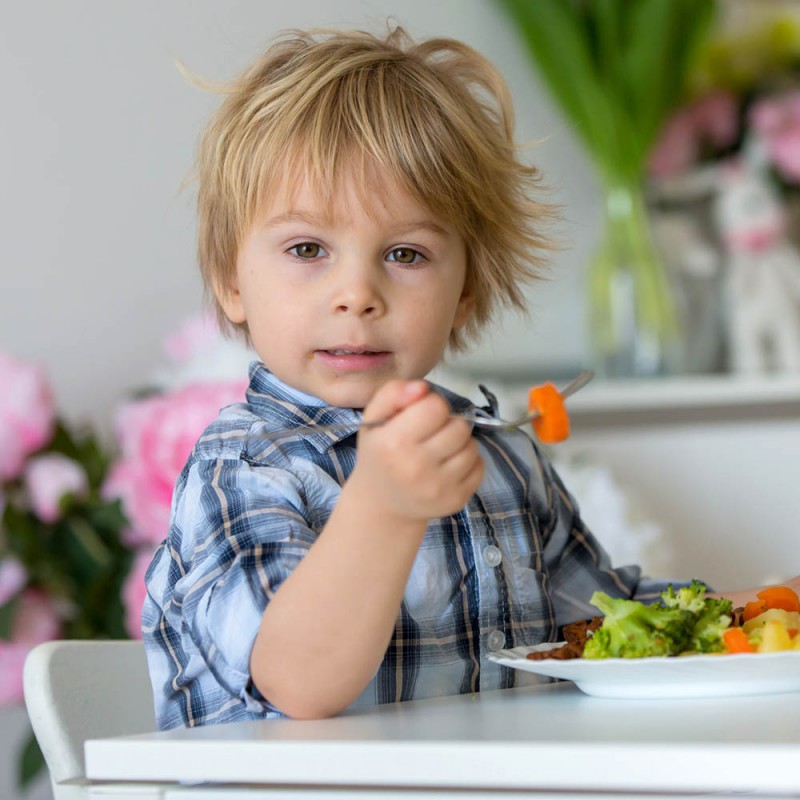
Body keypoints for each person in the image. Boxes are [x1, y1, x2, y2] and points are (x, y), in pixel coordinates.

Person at [142, 25, 800, 730]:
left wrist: (765, 604)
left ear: (466, 293)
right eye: (308, 248)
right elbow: (298, 681)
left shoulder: (501, 458)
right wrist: (385, 507)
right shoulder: (243, 468)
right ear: (230, 281)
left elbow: (612, 630)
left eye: (405, 253)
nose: (357, 292)